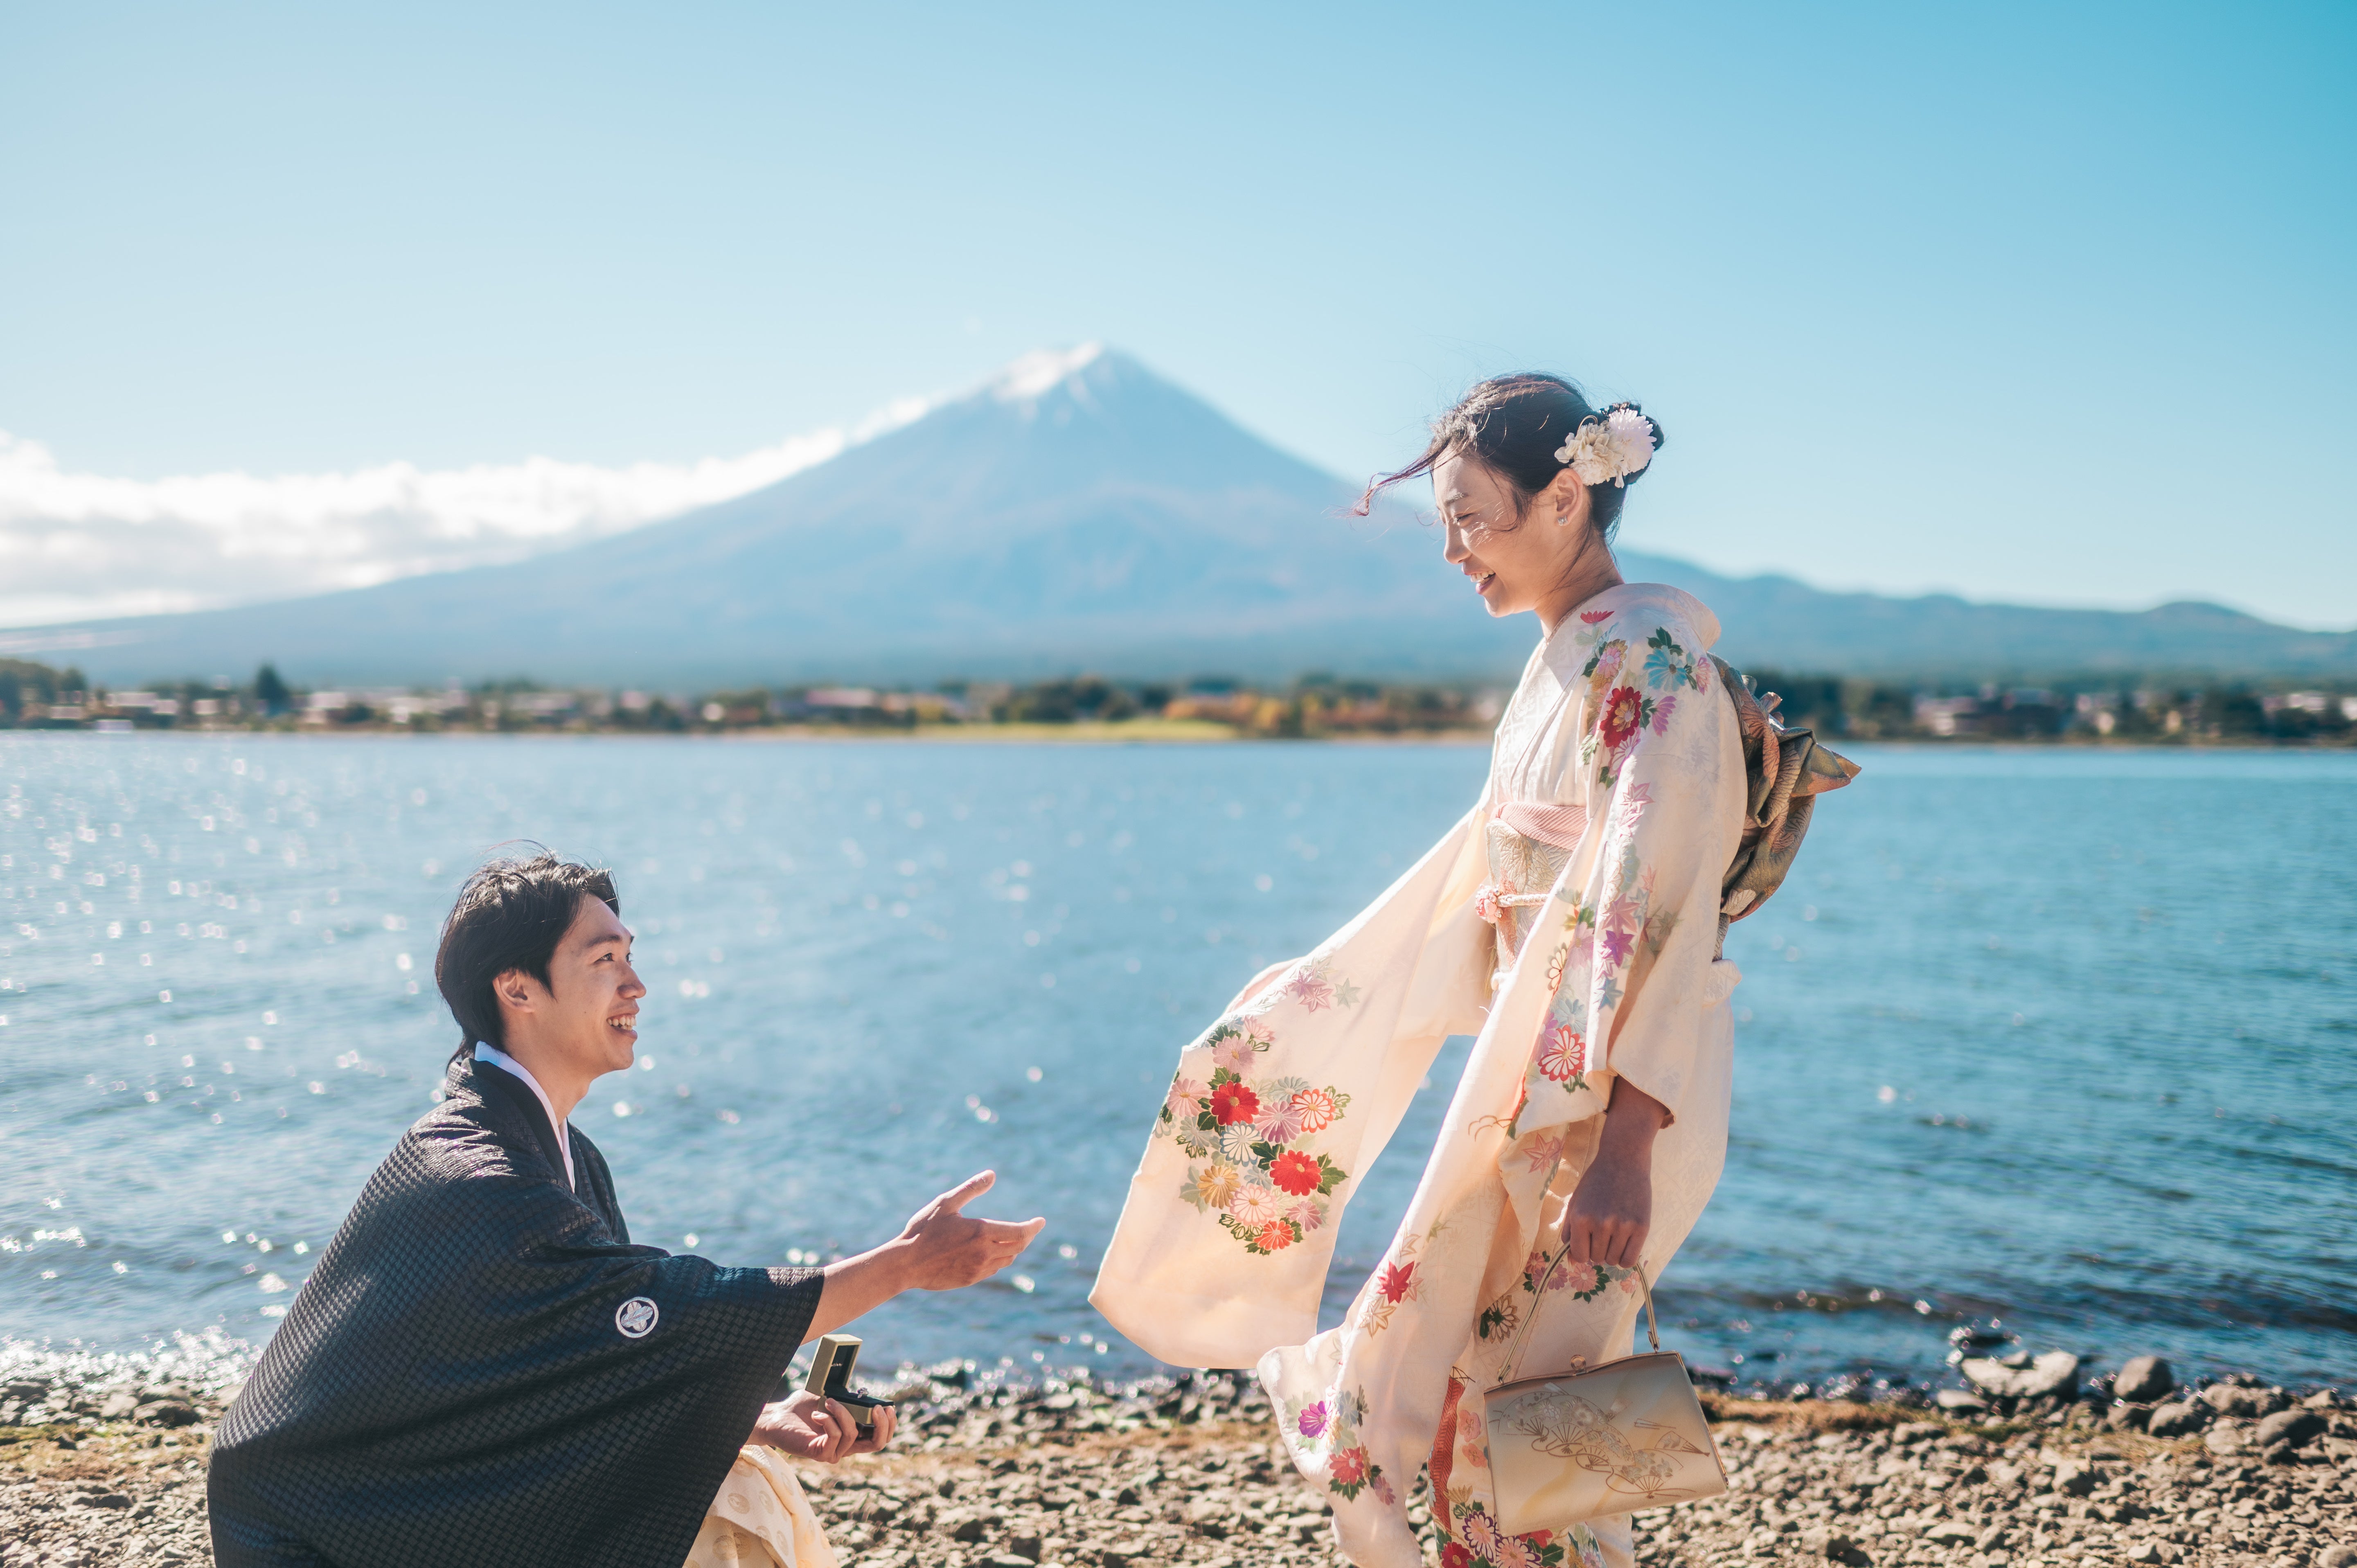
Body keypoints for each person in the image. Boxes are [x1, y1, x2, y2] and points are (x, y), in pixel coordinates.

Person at [1094, 376, 1851, 1568]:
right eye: (1441, 523)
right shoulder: (1572, 659)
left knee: (1531, 1425)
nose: (1451, 552)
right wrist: (1314, 993)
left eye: (1469, 517)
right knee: (1453, 1395)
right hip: (1535, 1082)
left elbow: (1659, 915)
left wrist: (1626, 1146)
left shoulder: (1651, 670)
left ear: (1565, 498)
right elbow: (1484, 876)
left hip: (1612, 1106)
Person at [210, 852, 1045, 1568]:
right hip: (315, 1530)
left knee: (740, 1471)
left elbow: (589, 1369)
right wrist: (902, 1262)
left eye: (630, 955)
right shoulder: (480, 1174)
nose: (637, 985)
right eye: (605, 959)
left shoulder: (554, 1152)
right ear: (519, 988)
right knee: (732, 1506)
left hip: (401, 1494)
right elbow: (671, 1309)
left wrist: (760, 1417)